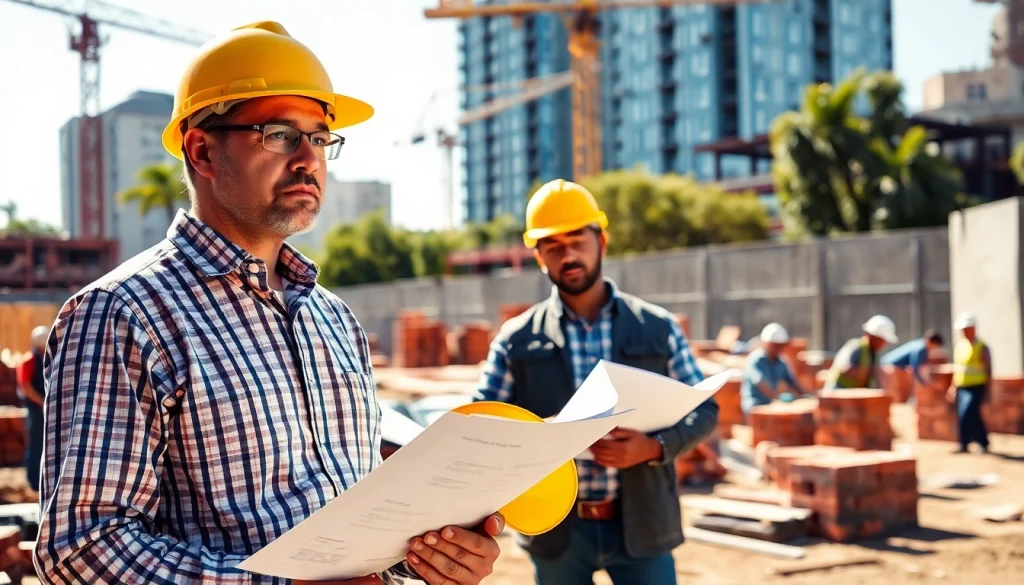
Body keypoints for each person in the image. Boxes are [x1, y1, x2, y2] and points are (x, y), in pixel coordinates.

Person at [35, 21, 502, 585]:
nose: (309, 157)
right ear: (202, 151)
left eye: (321, 137)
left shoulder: (333, 318)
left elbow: (354, 522)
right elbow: (82, 549)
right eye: (280, 134)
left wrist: (429, 556)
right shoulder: (124, 315)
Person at [476, 179, 719, 585]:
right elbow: (482, 426)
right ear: (538, 257)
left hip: (644, 524)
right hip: (557, 532)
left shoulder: (658, 328)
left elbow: (705, 410)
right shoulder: (515, 341)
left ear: (601, 241)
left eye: (577, 240)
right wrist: (545, 433)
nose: (567, 254)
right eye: (552, 245)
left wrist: (654, 447)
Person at [947, 311, 991, 454]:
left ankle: (982, 441)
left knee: (969, 413)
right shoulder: (960, 346)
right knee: (962, 414)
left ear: (973, 328)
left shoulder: (982, 346)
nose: (964, 332)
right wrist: (952, 387)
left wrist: (989, 389)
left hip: (977, 386)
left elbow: (988, 368)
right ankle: (964, 444)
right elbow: (958, 368)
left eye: (967, 329)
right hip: (962, 386)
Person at [740, 323, 806, 415]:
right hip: (755, 405)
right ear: (766, 344)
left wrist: (805, 396)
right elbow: (761, 383)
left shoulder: (781, 361)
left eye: (780, 346)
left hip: (769, 402)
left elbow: (792, 382)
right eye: (775, 345)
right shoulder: (756, 360)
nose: (778, 349)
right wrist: (777, 399)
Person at [824, 315, 898, 391]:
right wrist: (862, 371)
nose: (884, 344)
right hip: (837, 392)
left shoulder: (873, 354)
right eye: (882, 340)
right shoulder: (856, 347)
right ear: (873, 336)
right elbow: (843, 369)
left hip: (853, 395)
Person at [15, 326, 48, 493]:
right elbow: (25, 386)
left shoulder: (48, 359)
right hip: (36, 410)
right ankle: (34, 482)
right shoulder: (28, 360)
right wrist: (43, 402)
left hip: (47, 408)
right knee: (36, 445)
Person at [881, 329, 945, 387]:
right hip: (889, 367)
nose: (935, 348)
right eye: (936, 346)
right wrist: (924, 383)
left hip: (891, 366)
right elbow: (915, 368)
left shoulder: (921, 344)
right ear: (932, 342)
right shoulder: (920, 348)